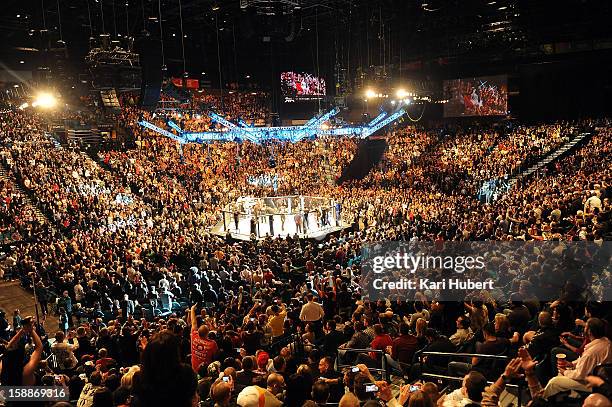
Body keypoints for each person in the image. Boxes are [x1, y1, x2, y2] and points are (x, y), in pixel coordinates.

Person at [543, 318, 612, 398]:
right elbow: (586, 360)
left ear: (589, 331)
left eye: (585, 327)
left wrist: (564, 371)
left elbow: (580, 375)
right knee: (563, 372)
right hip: (601, 378)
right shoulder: (607, 342)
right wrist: (571, 363)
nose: (584, 328)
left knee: (554, 382)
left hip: (593, 383)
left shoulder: (592, 352)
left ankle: (541, 401)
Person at [0, 317, 43, 386]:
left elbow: (9, 348)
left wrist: (23, 329)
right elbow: (39, 347)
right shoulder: (27, 370)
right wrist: (30, 329)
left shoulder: (2, 366)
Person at [190, 304, 219, 371]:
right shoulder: (212, 344)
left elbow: (193, 322)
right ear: (207, 334)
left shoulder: (194, 335)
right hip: (206, 370)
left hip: (194, 368)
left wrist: (192, 309)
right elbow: (215, 356)